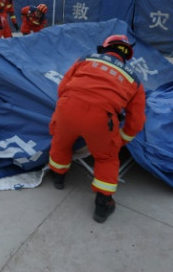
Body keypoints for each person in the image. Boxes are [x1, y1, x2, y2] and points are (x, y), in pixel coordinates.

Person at [48, 34, 146, 224]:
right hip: (102, 119)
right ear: (126, 56)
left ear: (105, 48)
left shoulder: (85, 59)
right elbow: (136, 120)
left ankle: (58, 178)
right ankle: (103, 205)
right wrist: (120, 140)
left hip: (67, 107)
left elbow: (63, 87)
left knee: (61, 143)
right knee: (107, 157)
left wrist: (65, 105)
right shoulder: (134, 79)